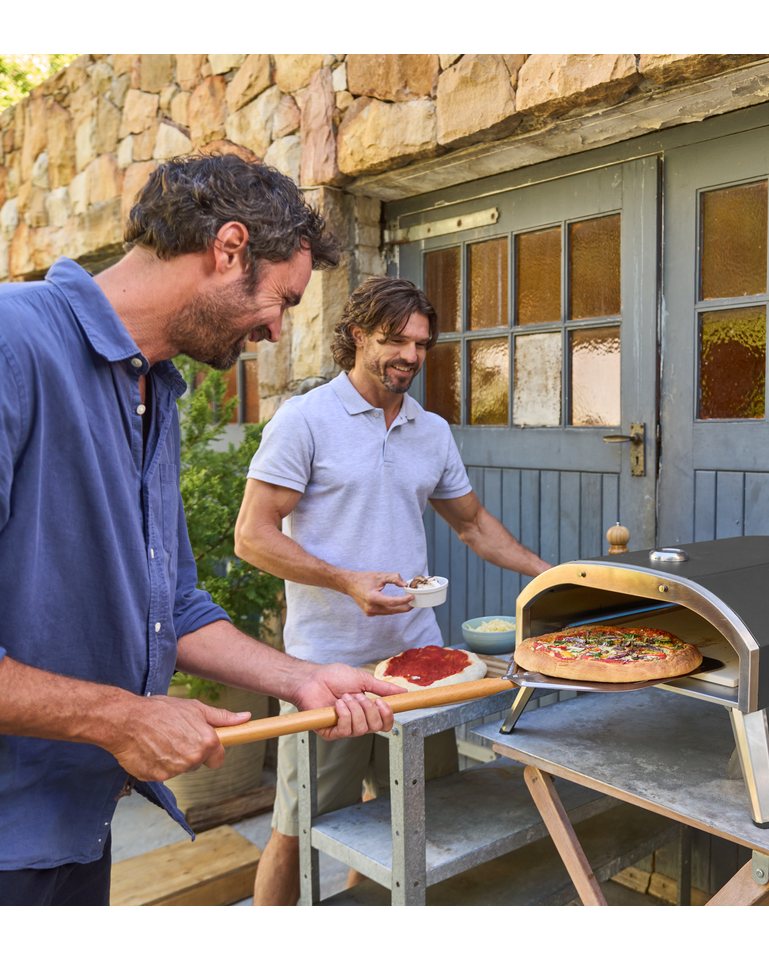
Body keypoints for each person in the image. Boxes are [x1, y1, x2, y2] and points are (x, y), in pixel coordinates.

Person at [0, 154, 406, 906]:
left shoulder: (153, 389)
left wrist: (302, 679)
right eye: (282, 300)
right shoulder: (10, 342)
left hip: (77, 824)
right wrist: (123, 718)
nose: (276, 330)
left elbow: (174, 607)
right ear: (229, 248)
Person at [235, 275, 551, 905]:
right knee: (298, 830)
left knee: (410, 826)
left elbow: (473, 524)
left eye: (421, 344)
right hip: (328, 668)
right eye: (394, 340)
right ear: (357, 336)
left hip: (419, 665)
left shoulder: (430, 430)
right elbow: (252, 536)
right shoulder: (306, 420)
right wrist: (344, 580)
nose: (410, 355)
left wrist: (551, 578)